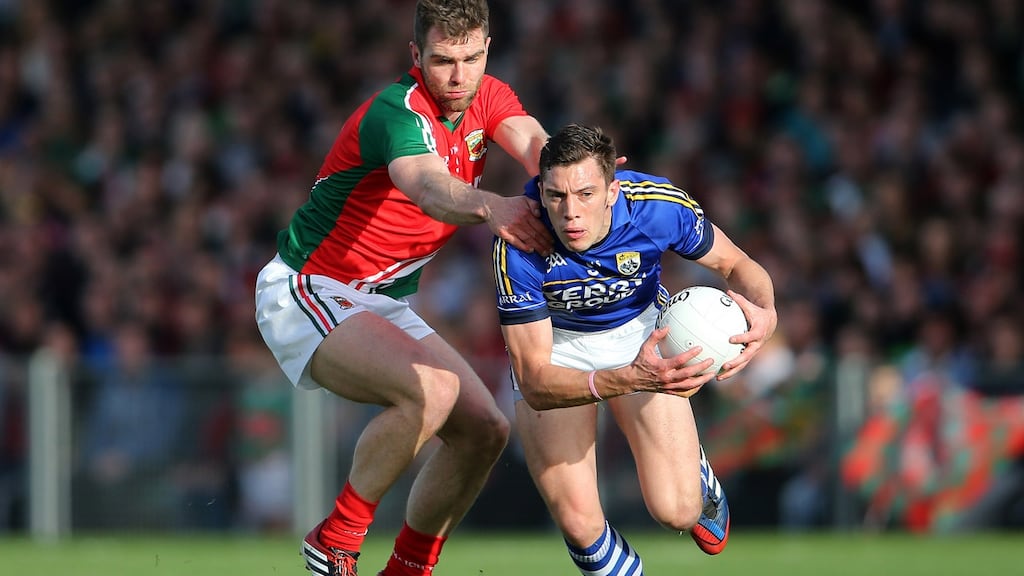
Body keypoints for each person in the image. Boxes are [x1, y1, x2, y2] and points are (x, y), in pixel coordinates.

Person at [254, 1, 554, 575]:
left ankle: (407, 570)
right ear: (416, 55)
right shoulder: (397, 112)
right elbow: (427, 186)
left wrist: (572, 175)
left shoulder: (489, 96)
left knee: (484, 431)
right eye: (443, 60)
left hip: (382, 299)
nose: (459, 76)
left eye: (471, 58)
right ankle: (336, 540)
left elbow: (532, 140)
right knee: (433, 392)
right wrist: (495, 206)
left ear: (487, 49)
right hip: (308, 287)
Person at [491, 124, 777, 574]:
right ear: (540, 190)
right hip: (556, 351)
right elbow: (535, 382)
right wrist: (624, 380)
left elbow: (736, 263)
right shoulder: (517, 242)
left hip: (641, 335)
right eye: (556, 196)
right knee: (579, 524)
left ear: (612, 189)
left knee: (677, 512)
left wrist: (765, 309)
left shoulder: (657, 207)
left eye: (585, 193)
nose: (571, 213)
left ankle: (697, 477)